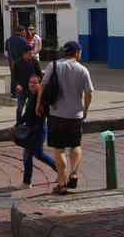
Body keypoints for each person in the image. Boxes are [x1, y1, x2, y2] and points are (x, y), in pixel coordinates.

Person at [38, 41, 94, 196]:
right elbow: (89, 93)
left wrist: (39, 105)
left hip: (56, 114)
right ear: (76, 53)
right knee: (75, 145)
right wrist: (86, 109)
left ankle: (62, 183)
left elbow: (43, 85)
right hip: (75, 115)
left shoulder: (53, 65)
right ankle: (74, 173)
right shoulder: (82, 69)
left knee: (59, 149)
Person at [19, 75, 57, 187]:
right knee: (38, 155)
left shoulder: (40, 99)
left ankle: (27, 182)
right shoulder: (31, 96)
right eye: (30, 82)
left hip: (38, 131)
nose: (31, 84)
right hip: (31, 130)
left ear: (40, 85)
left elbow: (41, 118)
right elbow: (26, 114)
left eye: (35, 83)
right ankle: (60, 170)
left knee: (28, 155)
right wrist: (18, 124)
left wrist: (33, 130)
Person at [12, 46, 41, 123]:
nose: (31, 55)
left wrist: (37, 83)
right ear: (24, 54)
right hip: (22, 89)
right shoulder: (17, 63)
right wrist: (17, 85)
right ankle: (18, 124)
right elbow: (14, 77)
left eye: (31, 53)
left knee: (30, 107)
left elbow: (39, 75)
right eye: (29, 53)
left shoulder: (35, 62)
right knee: (20, 108)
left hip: (32, 89)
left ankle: (29, 122)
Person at [5, 28, 29, 97]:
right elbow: (27, 51)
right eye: (24, 32)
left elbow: (7, 51)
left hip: (11, 62)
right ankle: (22, 92)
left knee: (13, 76)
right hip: (21, 61)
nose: (25, 33)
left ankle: (13, 92)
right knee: (22, 76)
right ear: (20, 32)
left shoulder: (8, 40)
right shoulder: (23, 40)